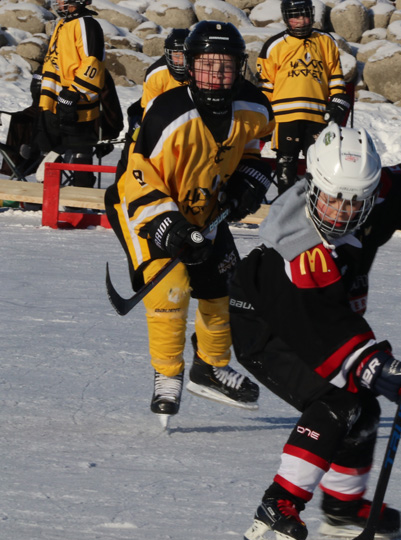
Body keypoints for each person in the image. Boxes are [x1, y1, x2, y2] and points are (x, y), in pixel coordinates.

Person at [228, 124, 401, 540]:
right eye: (332, 198)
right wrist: (377, 366)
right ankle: (277, 506)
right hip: (266, 322)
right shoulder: (296, 248)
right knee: (338, 402)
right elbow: (324, 328)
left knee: (364, 406)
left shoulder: (367, 195)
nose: (340, 211)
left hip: (324, 317)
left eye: (354, 202)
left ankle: (342, 509)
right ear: (313, 184)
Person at [105, 21, 275, 422]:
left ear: (239, 67)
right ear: (191, 66)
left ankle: (210, 366)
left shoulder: (254, 108)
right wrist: (168, 224)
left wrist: (249, 182)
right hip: (147, 209)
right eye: (206, 65)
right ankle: (167, 374)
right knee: (172, 288)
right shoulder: (168, 113)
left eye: (225, 65)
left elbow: (252, 151)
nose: (216, 75)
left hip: (205, 210)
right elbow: (134, 177)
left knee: (223, 283)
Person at [256, 0, 350, 194]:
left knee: (318, 163)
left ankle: (316, 210)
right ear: (286, 18)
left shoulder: (325, 40)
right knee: (286, 162)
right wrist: (263, 116)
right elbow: (266, 85)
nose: (300, 20)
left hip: (318, 115)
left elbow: (335, 76)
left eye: (304, 14)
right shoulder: (274, 45)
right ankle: (285, 208)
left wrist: (338, 101)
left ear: (312, 14)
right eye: (294, 16)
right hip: (285, 117)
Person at [37, 0, 106, 187]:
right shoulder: (61, 23)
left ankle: (79, 203)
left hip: (77, 108)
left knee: (79, 156)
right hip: (53, 104)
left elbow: (93, 63)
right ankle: (48, 198)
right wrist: (41, 81)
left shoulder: (87, 24)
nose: (57, 2)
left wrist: (73, 94)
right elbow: (55, 58)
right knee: (48, 152)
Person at [125, 28, 189, 140]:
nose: (181, 61)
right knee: (138, 129)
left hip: (189, 114)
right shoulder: (157, 74)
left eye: (185, 55)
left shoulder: (200, 69)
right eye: (176, 56)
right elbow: (149, 110)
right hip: (162, 113)